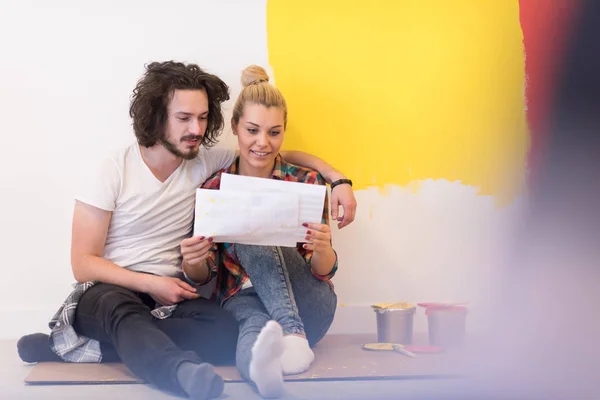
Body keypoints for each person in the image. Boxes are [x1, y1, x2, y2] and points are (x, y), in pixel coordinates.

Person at [17, 61, 357, 400]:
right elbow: (83, 263)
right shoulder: (113, 169)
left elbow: (264, 153)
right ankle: (182, 374)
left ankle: (82, 347)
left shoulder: (203, 163)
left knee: (224, 331)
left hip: (172, 300)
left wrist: (336, 177)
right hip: (110, 289)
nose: (196, 128)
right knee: (122, 311)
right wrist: (153, 282)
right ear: (157, 116)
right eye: (184, 118)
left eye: (203, 117)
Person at [180, 65, 339, 398]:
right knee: (252, 328)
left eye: (274, 133)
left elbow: (321, 272)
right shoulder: (215, 188)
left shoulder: (307, 182)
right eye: (252, 130)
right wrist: (192, 261)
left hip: (309, 308)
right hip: (244, 299)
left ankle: (293, 336)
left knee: (254, 224)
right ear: (236, 127)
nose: (263, 143)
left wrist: (324, 249)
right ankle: (261, 371)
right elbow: (202, 277)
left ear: (283, 133)